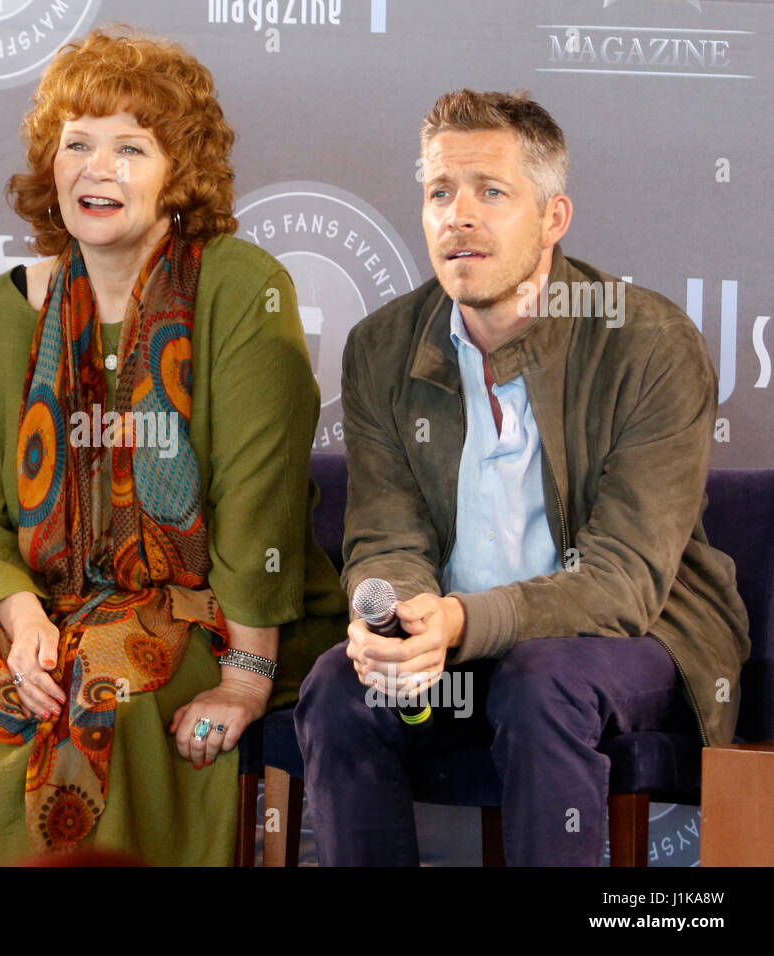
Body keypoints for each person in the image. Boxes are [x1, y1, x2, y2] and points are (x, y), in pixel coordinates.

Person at [0, 27, 342, 865]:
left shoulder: (242, 288)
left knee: (110, 686)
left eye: (131, 146)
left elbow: (258, 506)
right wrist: (21, 618)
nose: (98, 168)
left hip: (214, 603)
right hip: (44, 589)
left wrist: (245, 678)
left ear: (180, 175)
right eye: (77, 144)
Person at [295, 89, 750, 866]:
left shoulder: (648, 343)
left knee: (542, 681)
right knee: (340, 684)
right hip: (456, 643)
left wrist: (464, 622)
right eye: (440, 192)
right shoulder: (381, 347)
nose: (457, 216)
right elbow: (383, 536)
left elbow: (623, 582)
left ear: (553, 218)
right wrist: (395, 616)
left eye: (491, 192)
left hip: (636, 640)